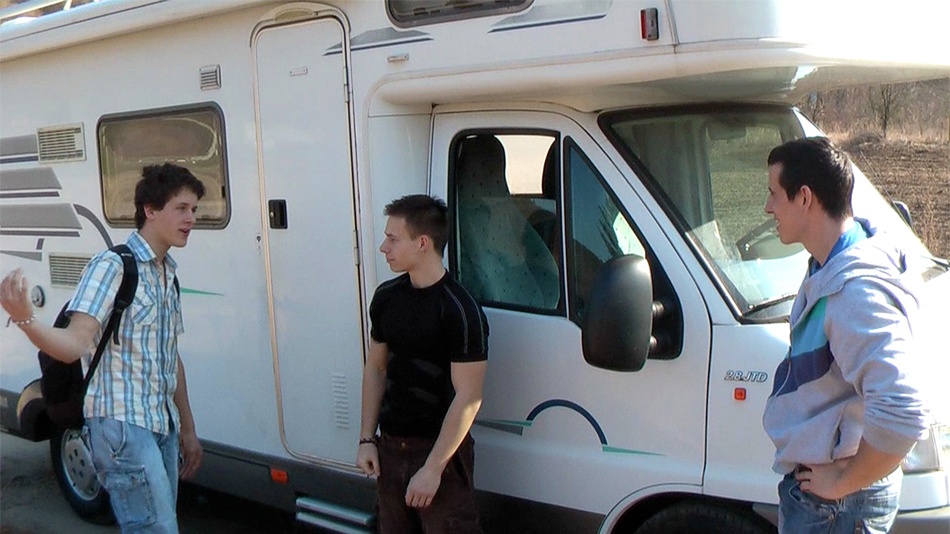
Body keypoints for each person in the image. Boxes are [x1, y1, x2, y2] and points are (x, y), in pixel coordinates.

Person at [0, 163, 205, 533]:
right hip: (123, 428)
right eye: (181, 208)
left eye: (194, 209)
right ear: (150, 210)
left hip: (162, 425)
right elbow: (72, 345)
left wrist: (187, 431)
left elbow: (171, 359)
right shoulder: (113, 266)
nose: (191, 218)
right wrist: (27, 320)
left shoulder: (166, 274)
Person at [761, 138, 931, 533]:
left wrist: (842, 482)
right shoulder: (836, 260)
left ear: (805, 198)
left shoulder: (854, 292)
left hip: (838, 507)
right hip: (836, 502)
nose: (768, 207)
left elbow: (904, 411)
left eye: (774, 193)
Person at [357, 194, 489, 534]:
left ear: (423, 243)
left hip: (440, 456)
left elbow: (469, 397)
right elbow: (376, 369)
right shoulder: (386, 297)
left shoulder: (461, 310)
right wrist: (366, 439)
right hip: (390, 451)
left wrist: (433, 469)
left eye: (393, 239)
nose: (383, 247)